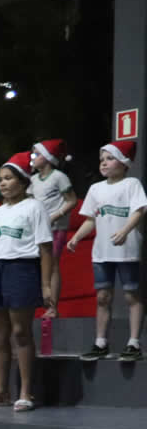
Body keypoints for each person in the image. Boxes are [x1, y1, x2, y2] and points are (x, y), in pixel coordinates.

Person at [0, 152, 53, 411]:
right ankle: (1, 390)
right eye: (0, 180)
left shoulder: (34, 207)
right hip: (1, 270)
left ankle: (26, 392)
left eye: (8, 178)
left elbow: (45, 249)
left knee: (20, 332)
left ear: (23, 180)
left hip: (23, 269)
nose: (3, 184)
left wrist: (45, 284)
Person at [68, 139, 147, 361]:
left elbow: (139, 211)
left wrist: (125, 231)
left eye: (110, 158)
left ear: (124, 163)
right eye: (102, 159)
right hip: (102, 252)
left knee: (132, 295)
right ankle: (101, 342)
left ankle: (133, 343)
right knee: (102, 296)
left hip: (127, 250)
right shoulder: (95, 189)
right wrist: (76, 236)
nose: (104, 163)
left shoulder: (132, 184)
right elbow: (91, 219)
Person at [29, 140, 77, 318]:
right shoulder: (32, 180)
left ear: (48, 158)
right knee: (36, 265)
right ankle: (35, 304)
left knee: (53, 264)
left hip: (56, 228)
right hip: (36, 229)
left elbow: (71, 200)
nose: (32, 158)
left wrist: (54, 216)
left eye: (37, 154)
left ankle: (52, 307)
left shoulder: (59, 177)